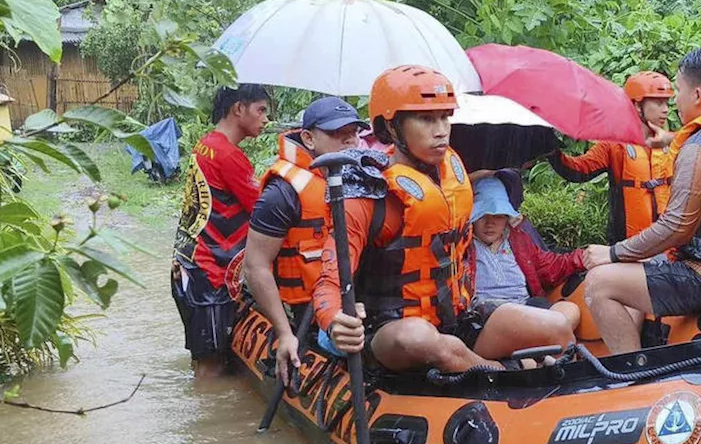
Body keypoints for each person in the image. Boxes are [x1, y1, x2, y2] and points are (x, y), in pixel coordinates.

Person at [315, 66, 576, 373]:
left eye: (444, 117)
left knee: (555, 326)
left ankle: (535, 385)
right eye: (426, 119)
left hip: (457, 320)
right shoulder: (370, 194)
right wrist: (335, 319)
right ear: (392, 127)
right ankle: (500, 373)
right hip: (392, 332)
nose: (440, 130)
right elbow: (329, 281)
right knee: (420, 338)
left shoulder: (453, 170)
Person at [580, 47, 701, 355]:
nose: (674, 103)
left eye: (679, 91)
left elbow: (677, 227)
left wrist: (613, 252)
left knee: (599, 283)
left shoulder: (700, 146)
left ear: (697, 94)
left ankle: (630, 374)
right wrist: (670, 140)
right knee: (637, 262)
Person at [243, 96, 366, 386]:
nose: (349, 141)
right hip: (305, 312)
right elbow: (255, 265)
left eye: (354, 132)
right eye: (338, 133)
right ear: (309, 138)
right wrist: (285, 334)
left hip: (347, 298)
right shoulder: (282, 193)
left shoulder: (362, 181)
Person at [172, 83, 271, 378]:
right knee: (211, 365)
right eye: (261, 110)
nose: (266, 119)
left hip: (190, 264)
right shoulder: (229, 156)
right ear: (238, 109)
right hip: (211, 274)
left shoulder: (206, 145)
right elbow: (264, 211)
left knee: (203, 356)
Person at [548, 71, 676, 243]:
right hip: (628, 246)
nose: (666, 109)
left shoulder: (673, 143)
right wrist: (552, 151)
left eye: (667, 103)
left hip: (668, 246)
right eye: (659, 103)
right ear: (637, 106)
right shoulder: (614, 145)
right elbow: (578, 170)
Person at [468, 176, 583, 331]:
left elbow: (549, 267)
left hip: (526, 306)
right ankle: (539, 342)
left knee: (569, 310)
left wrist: (584, 257)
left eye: (498, 215)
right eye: (482, 216)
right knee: (528, 322)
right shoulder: (462, 246)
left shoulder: (518, 239)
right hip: (488, 314)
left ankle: (536, 341)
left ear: (507, 218)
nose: (490, 223)